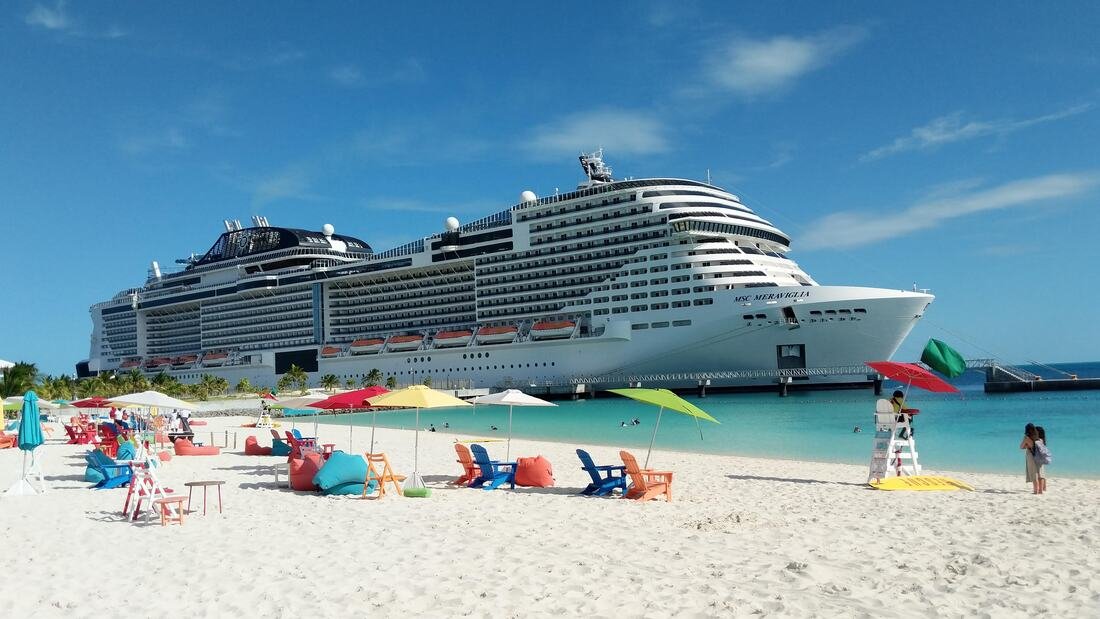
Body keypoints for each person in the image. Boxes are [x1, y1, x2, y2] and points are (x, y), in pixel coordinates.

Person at [1020, 423, 1040, 494]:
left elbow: (1021, 447)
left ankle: (1035, 491)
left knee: (1033, 473)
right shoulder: (1037, 437)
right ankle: (1039, 490)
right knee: (1038, 473)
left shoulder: (1026, 437)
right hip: (1038, 456)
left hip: (1031, 456)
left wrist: (1026, 446)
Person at [1035, 426, 1048, 494]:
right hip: (1041, 457)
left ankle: (1041, 490)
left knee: (1040, 474)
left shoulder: (1038, 440)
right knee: (1042, 473)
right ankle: (1044, 487)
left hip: (1039, 458)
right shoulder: (1042, 440)